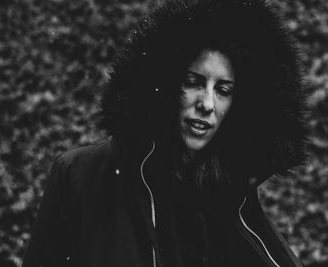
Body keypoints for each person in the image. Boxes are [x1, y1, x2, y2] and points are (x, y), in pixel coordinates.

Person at [22, 0, 308, 266]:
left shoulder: (231, 196)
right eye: (194, 82)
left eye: (223, 90)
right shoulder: (80, 175)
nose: (207, 104)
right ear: (166, 83)